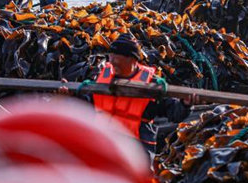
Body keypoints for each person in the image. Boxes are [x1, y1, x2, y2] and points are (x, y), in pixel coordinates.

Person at [59, 36, 192, 155]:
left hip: (137, 148)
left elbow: (174, 112)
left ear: (133, 59)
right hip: (105, 142)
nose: (112, 61)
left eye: (117, 57)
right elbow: (86, 105)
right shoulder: (103, 79)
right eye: (111, 57)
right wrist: (70, 96)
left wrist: (185, 104)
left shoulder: (152, 84)